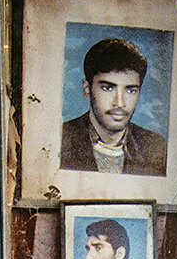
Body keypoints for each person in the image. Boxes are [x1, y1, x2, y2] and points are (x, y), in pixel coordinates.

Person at [61, 38, 167, 176]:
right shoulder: (60, 139)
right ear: (87, 89)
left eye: (131, 90)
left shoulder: (155, 146)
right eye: (107, 88)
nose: (120, 103)